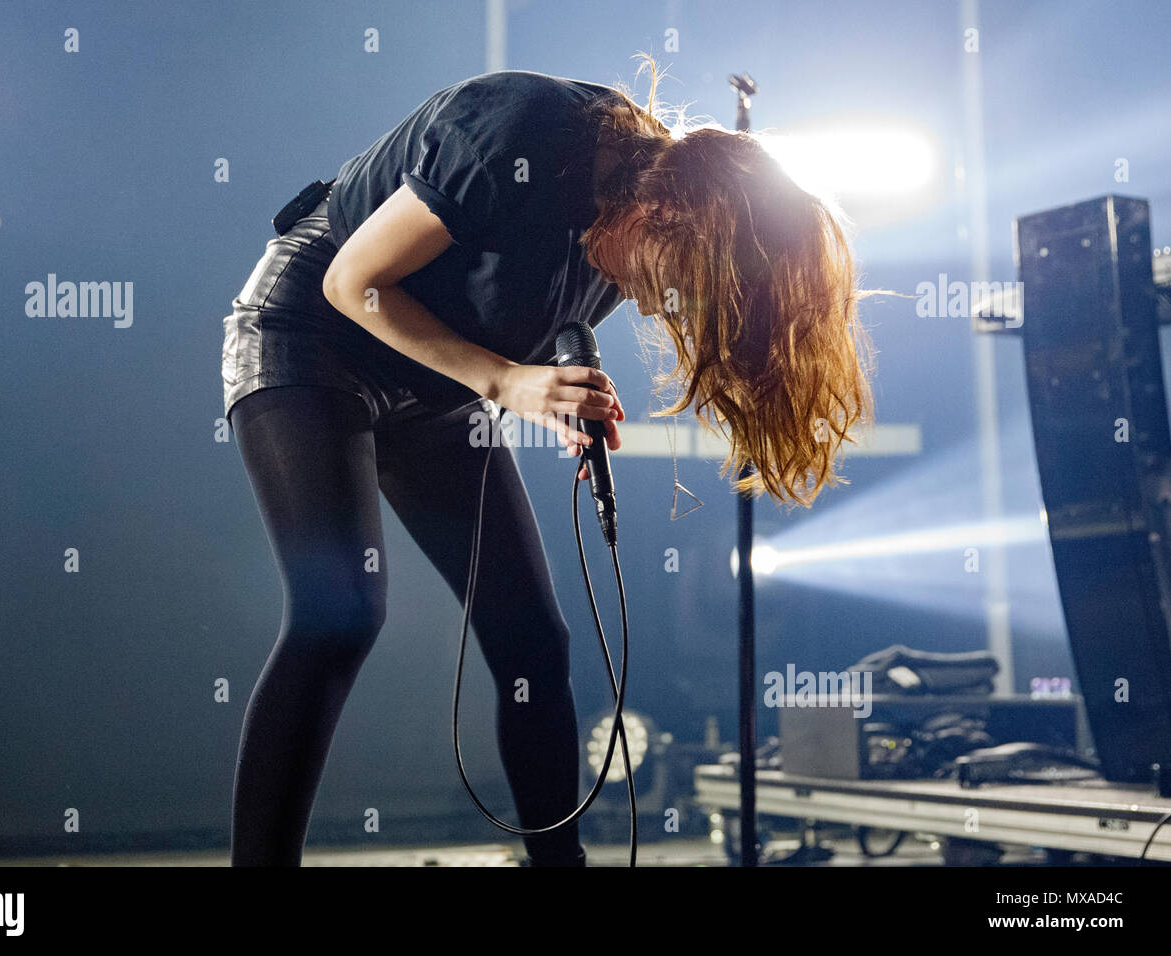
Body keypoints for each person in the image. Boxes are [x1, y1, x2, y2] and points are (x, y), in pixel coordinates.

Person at [221, 59, 874, 867]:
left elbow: (525, 314)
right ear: (660, 211)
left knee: (533, 638)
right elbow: (355, 281)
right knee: (340, 614)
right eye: (663, 282)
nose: (644, 302)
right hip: (314, 336)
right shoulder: (515, 131)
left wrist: (556, 389)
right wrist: (506, 381)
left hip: (437, 387)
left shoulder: (643, 217)